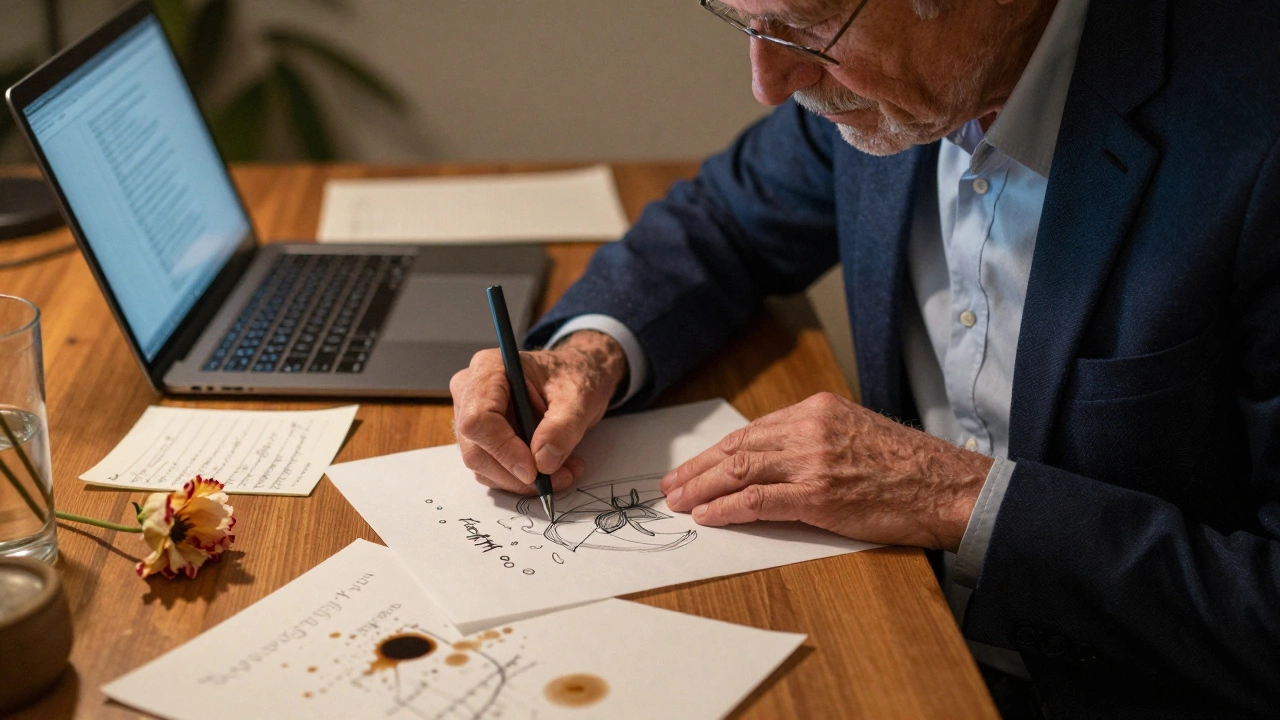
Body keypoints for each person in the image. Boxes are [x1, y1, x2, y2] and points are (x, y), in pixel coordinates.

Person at [450, 0, 1280, 715]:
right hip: (896, 631)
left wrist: (953, 496)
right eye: (744, 23)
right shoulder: (887, 87)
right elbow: (723, 222)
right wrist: (586, 354)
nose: (768, 82)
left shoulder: (1252, 144)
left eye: (802, 28)